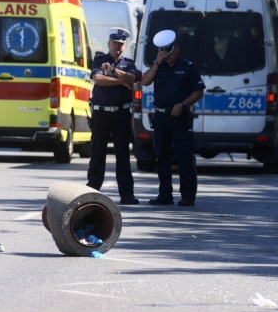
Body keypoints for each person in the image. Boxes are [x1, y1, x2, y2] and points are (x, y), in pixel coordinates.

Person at [141, 30, 205, 206]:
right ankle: (165, 194)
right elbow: (145, 82)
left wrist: (183, 104)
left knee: (184, 155)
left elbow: (198, 92)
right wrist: (156, 62)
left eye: (168, 53)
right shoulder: (159, 66)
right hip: (161, 116)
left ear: (177, 48)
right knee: (161, 156)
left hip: (179, 116)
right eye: (163, 53)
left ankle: (187, 196)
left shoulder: (188, 66)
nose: (166, 57)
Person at [86, 27, 139, 204]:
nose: (117, 47)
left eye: (120, 44)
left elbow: (132, 80)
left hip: (121, 114)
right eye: (114, 43)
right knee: (98, 152)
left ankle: (127, 193)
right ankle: (92, 189)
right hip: (102, 113)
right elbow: (98, 80)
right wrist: (120, 82)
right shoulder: (99, 60)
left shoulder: (129, 63)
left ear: (124, 46)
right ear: (108, 43)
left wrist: (115, 72)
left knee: (123, 154)